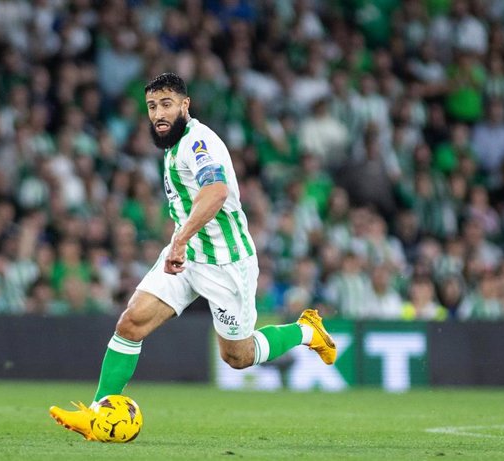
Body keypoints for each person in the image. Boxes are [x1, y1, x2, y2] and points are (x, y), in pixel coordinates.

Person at [49, 73, 337, 440]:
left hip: (225, 263)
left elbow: (215, 191)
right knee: (131, 323)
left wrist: (180, 239)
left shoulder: (198, 142)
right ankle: (97, 412)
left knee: (238, 357)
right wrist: (181, 243)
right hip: (186, 256)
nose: (158, 114)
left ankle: (306, 331)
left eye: (167, 104)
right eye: (152, 106)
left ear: (185, 105)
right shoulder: (172, 145)